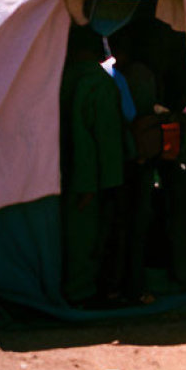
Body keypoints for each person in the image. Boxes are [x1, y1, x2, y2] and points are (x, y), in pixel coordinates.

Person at [59, 24, 125, 306]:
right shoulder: (98, 83)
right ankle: (83, 293)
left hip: (58, 172)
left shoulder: (59, 78)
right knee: (86, 237)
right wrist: (108, 183)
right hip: (88, 178)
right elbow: (103, 138)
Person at [107, 25, 160, 304]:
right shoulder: (142, 75)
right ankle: (135, 286)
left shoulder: (115, 76)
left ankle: (118, 286)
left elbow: (126, 113)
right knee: (137, 223)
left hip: (123, 156)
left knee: (121, 223)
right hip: (141, 154)